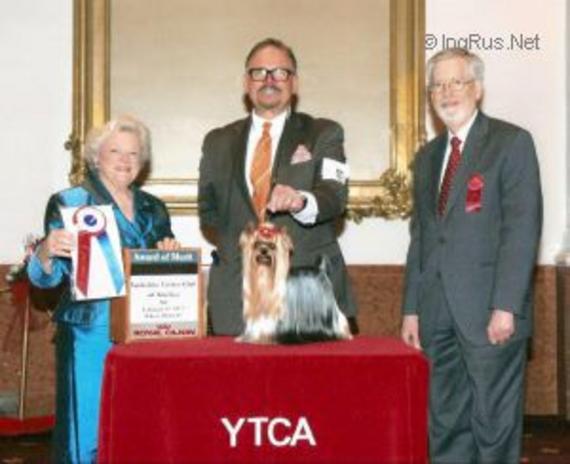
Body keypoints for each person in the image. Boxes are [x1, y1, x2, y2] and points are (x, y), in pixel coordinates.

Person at [401, 47, 542, 463]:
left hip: (491, 313)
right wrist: (412, 309)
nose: (447, 92)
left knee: (493, 425)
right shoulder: (427, 158)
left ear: (477, 89)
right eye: (437, 86)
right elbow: (421, 238)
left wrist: (506, 306)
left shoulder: (510, 142)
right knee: (445, 423)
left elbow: (521, 231)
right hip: (436, 313)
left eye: (457, 82)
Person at [27, 115, 180, 463]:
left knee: (139, 424)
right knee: (86, 431)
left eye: (134, 154)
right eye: (115, 152)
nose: (125, 160)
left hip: (146, 332)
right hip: (89, 333)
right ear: (96, 157)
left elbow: (163, 269)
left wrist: (170, 253)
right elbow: (45, 280)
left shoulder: (154, 207)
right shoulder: (70, 200)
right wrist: (46, 250)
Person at [198, 37, 357, 336]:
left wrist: (301, 201)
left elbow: (335, 196)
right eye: (259, 72)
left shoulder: (324, 132)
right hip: (234, 298)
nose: (269, 80)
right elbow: (209, 213)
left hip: (308, 297)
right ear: (247, 82)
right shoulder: (216, 141)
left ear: (294, 83)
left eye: (280, 72)